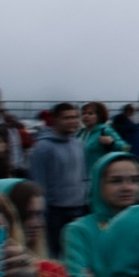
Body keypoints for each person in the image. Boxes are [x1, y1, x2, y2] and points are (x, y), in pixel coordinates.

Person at [28, 104, 89, 251]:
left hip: (78, 208)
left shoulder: (77, 144)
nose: (73, 121)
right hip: (55, 212)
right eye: (67, 118)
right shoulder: (42, 148)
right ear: (55, 120)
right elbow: (38, 183)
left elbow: (83, 175)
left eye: (75, 117)